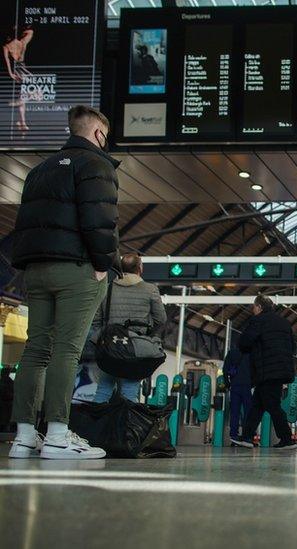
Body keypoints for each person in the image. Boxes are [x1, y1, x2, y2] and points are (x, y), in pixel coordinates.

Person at [8, 105, 119, 460]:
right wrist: (102, 264)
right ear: (99, 134)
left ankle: (24, 436)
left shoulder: (39, 170)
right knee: (67, 350)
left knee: (35, 349)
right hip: (76, 268)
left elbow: (24, 221)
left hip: (36, 268)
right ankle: (57, 434)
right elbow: (100, 218)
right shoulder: (96, 164)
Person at [91, 253, 166, 403]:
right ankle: (127, 426)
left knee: (103, 390)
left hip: (110, 349)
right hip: (135, 349)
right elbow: (161, 319)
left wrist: (103, 338)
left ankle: (95, 424)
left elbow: (96, 321)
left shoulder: (107, 288)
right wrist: (147, 337)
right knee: (129, 394)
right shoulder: (150, 289)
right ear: (140, 268)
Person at [232, 295, 297, 450]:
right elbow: (293, 347)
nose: (253, 310)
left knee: (273, 405)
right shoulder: (284, 322)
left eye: (254, 307)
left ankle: (287, 439)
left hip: (267, 370)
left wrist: (248, 349)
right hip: (280, 369)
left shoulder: (258, 320)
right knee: (258, 405)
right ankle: (247, 437)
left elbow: (244, 342)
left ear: (260, 307)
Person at [223, 342, 252, 441]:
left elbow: (225, 369)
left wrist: (227, 383)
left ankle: (233, 435)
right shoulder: (250, 354)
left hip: (235, 385)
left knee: (235, 411)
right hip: (247, 386)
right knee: (248, 411)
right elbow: (255, 370)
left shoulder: (232, 353)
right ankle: (247, 436)